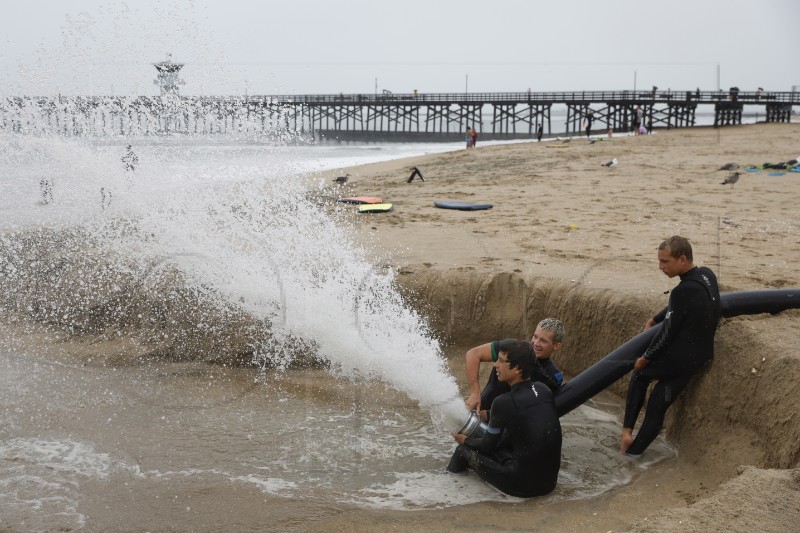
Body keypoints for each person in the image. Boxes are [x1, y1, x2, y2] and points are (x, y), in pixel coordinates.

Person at [620, 236, 721, 455]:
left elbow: (667, 334)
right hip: (700, 357)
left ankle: (627, 434)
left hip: (680, 360)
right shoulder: (707, 275)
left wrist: (645, 359)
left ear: (682, 259)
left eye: (665, 262)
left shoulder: (681, 291)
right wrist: (656, 318)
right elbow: (682, 307)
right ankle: (634, 454)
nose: (660, 267)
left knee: (639, 374)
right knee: (658, 402)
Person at [448, 340, 562, 498]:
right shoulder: (543, 390)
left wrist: (464, 440)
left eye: (501, 361)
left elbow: (487, 446)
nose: (495, 365)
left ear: (517, 369)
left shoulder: (503, 402)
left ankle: (447, 489)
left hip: (522, 487)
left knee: (462, 452)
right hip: (549, 483)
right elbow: (521, 414)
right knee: (505, 441)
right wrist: (486, 414)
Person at [465, 318, 565, 413]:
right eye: (535, 336)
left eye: (543, 340)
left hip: (510, 427)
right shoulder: (513, 347)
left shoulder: (553, 376)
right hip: (479, 410)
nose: (536, 343)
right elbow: (473, 354)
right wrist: (475, 392)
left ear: (556, 346)